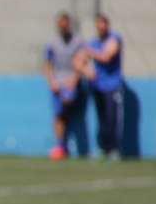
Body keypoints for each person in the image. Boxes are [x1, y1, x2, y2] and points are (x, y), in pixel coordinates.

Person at [43, 12, 86, 161]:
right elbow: (47, 64)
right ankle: (60, 146)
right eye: (60, 25)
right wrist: (52, 82)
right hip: (57, 83)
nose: (63, 27)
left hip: (71, 83)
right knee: (58, 115)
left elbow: (82, 62)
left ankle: (67, 147)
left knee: (64, 113)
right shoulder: (52, 43)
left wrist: (74, 80)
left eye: (65, 24)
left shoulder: (78, 42)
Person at [83, 13, 125, 160]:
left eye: (103, 24)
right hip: (97, 87)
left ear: (107, 25)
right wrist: (86, 70)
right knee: (101, 118)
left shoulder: (114, 38)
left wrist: (90, 52)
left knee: (111, 118)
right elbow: (78, 61)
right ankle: (102, 148)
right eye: (98, 24)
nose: (101, 27)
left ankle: (113, 149)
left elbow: (106, 56)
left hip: (112, 86)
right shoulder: (93, 42)